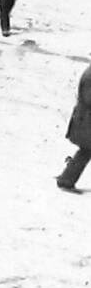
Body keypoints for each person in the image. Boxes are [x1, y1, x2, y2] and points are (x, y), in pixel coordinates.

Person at [57, 59, 91, 193]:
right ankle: (66, 180)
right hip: (87, 121)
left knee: (86, 151)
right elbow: (89, 98)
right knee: (86, 150)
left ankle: (66, 178)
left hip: (85, 120)